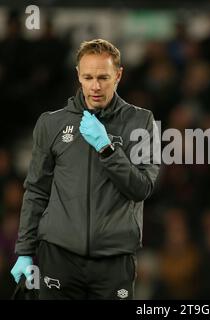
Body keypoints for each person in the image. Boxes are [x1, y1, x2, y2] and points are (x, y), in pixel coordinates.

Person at [10, 39, 160, 299]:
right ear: (78, 75)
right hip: (58, 255)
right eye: (88, 77)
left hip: (114, 259)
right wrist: (25, 251)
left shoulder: (141, 121)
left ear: (118, 75)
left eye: (103, 77)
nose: (96, 86)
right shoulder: (51, 123)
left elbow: (142, 188)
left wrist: (107, 149)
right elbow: (36, 190)